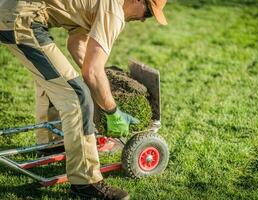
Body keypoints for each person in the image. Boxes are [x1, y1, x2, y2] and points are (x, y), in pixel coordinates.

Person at [0, 0, 167, 199]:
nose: (142, 20)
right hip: (22, 19)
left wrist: (102, 82)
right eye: (147, 13)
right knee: (77, 96)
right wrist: (112, 111)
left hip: (16, 12)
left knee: (57, 80)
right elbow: (92, 71)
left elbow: (76, 44)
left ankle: (51, 144)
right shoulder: (113, 10)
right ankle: (87, 182)